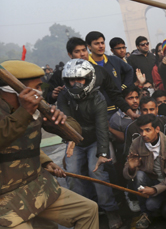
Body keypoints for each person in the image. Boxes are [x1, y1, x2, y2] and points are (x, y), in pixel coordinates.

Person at [0, 60, 98, 229]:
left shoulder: (34, 107)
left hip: (38, 187)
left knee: (88, 210)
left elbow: (76, 133)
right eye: (38, 87)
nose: (41, 92)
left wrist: (59, 123)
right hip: (4, 200)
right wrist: (24, 112)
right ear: (19, 91)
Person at [58, 59, 122, 229]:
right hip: (75, 141)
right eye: (72, 80)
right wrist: (70, 139)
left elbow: (102, 128)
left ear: (89, 79)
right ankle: (85, 210)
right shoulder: (64, 96)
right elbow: (66, 121)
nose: (76, 83)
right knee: (72, 174)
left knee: (97, 173)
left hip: (95, 140)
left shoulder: (98, 98)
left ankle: (110, 210)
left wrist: (102, 154)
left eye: (80, 79)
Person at [45, 37, 138, 119]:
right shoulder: (62, 73)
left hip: (103, 117)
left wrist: (130, 113)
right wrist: (53, 96)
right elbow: (47, 97)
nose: (82, 54)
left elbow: (115, 95)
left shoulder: (99, 71)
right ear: (70, 54)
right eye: (77, 51)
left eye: (84, 50)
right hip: (77, 121)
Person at [123, 114, 166, 229]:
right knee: (139, 175)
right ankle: (144, 213)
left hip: (163, 185)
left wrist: (154, 190)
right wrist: (131, 168)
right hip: (146, 181)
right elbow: (126, 174)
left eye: (147, 130)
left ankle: (157, 205)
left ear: (157, 129)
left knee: (152, 205)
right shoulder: (136, 143)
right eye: (141, 131)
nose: (143, 134)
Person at [86, 31, 134, 116]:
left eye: (102, 43)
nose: (100, 46)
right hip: (99, 112)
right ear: (89, 46)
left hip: (119, 109)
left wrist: (123, 86)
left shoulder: (114, 60)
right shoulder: (86, 65)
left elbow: (129, 70)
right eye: (96, 43)